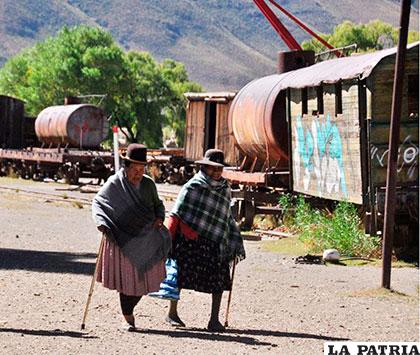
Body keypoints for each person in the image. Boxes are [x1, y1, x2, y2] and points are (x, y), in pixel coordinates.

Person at [92, 143, 171, 331]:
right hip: (123, 238)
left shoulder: (148, 185)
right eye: (135, 169)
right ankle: (127, 318)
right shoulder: (115, 183)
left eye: (142, 169)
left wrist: (160, 217)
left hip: (146, 238)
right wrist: (102, 223)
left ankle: (129, 311)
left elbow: (158, 205)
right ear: (126, 166)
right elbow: (99, 203)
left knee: (146, 279)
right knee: (127, 281)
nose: (138, 173)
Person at [165, 149, 245, 332]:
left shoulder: (225, 188)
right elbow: (178, 212)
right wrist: (168, 237)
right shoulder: (192, 186)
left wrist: (233, 236)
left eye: (219, 169)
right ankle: (172, 313)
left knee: (219, 278)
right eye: (212, 168)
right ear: (204, 167)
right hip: (191, 239)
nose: (217, 172)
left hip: (216, 241)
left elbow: (225, 216)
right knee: (180, 275)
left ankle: (214, 320)